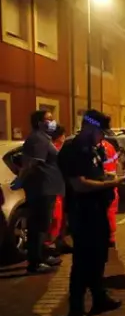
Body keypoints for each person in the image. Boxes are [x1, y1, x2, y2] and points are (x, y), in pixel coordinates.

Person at [59, 110, 125, 316]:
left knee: (99, 258)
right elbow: (79, 184)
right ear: (89, 127)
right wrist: (114, 183)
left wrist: (119, 178)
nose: (103, 137)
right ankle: (76, 310)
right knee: (82, 263)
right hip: (83, 214)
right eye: (101, 132)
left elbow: (98, 174)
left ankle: (99, 298)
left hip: (98, 212)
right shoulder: (73, 150)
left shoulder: (93, 148)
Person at [13, 110, 64, 274]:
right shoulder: (38, 139)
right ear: (39, 122)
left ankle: (42, 256)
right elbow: (32, 163)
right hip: (41, 188)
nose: (52, 122)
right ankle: (35, 262)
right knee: (39, 226)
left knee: (44, 224)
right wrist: (21, 179)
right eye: (48, 119)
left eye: (52, 118)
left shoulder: (43, 138)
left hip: (47, 187)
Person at [48, 125, 67, 252]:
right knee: (55, 218)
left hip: (60, 188)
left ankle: (59, 242)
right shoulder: (55, 149)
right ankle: (50, 246)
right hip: (54, 189)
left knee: (60, 218)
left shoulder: (55, 148)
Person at [100, 138, 119, 247]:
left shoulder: (95, 148)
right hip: (111, 184)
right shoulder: (110, 146)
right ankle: (111, 237)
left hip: (101, 184)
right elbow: (117, 164)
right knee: (110, 212)